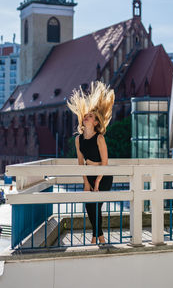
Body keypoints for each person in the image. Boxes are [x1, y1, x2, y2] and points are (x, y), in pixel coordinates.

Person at [67, 81, 115, 244]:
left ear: (96, 122)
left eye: (91, 116)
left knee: (95, 206)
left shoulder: (100, 138)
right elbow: (81, 164)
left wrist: (97, 182)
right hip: (89, 174)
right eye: (86, 115)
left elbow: (105, 162)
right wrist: (86, 182)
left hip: (104, 176)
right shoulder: (78, 139)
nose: (87, 116)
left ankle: (96, 238)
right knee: (90, 207)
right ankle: (99, 237)